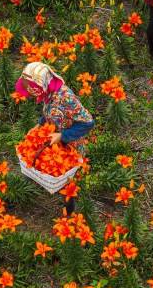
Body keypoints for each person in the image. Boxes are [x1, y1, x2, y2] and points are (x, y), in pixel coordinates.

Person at [15, 62, 95, 213]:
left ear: (42, 82)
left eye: (32, 87)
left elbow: (88, 123)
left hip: (72, 147)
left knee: (68, 184)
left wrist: (62, 136)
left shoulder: (66, 98)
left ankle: (70, 210)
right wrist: (39, 125)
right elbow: (49, 113)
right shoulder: (48, 93)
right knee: (56, 173)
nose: (30, 92)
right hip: (56, 143)